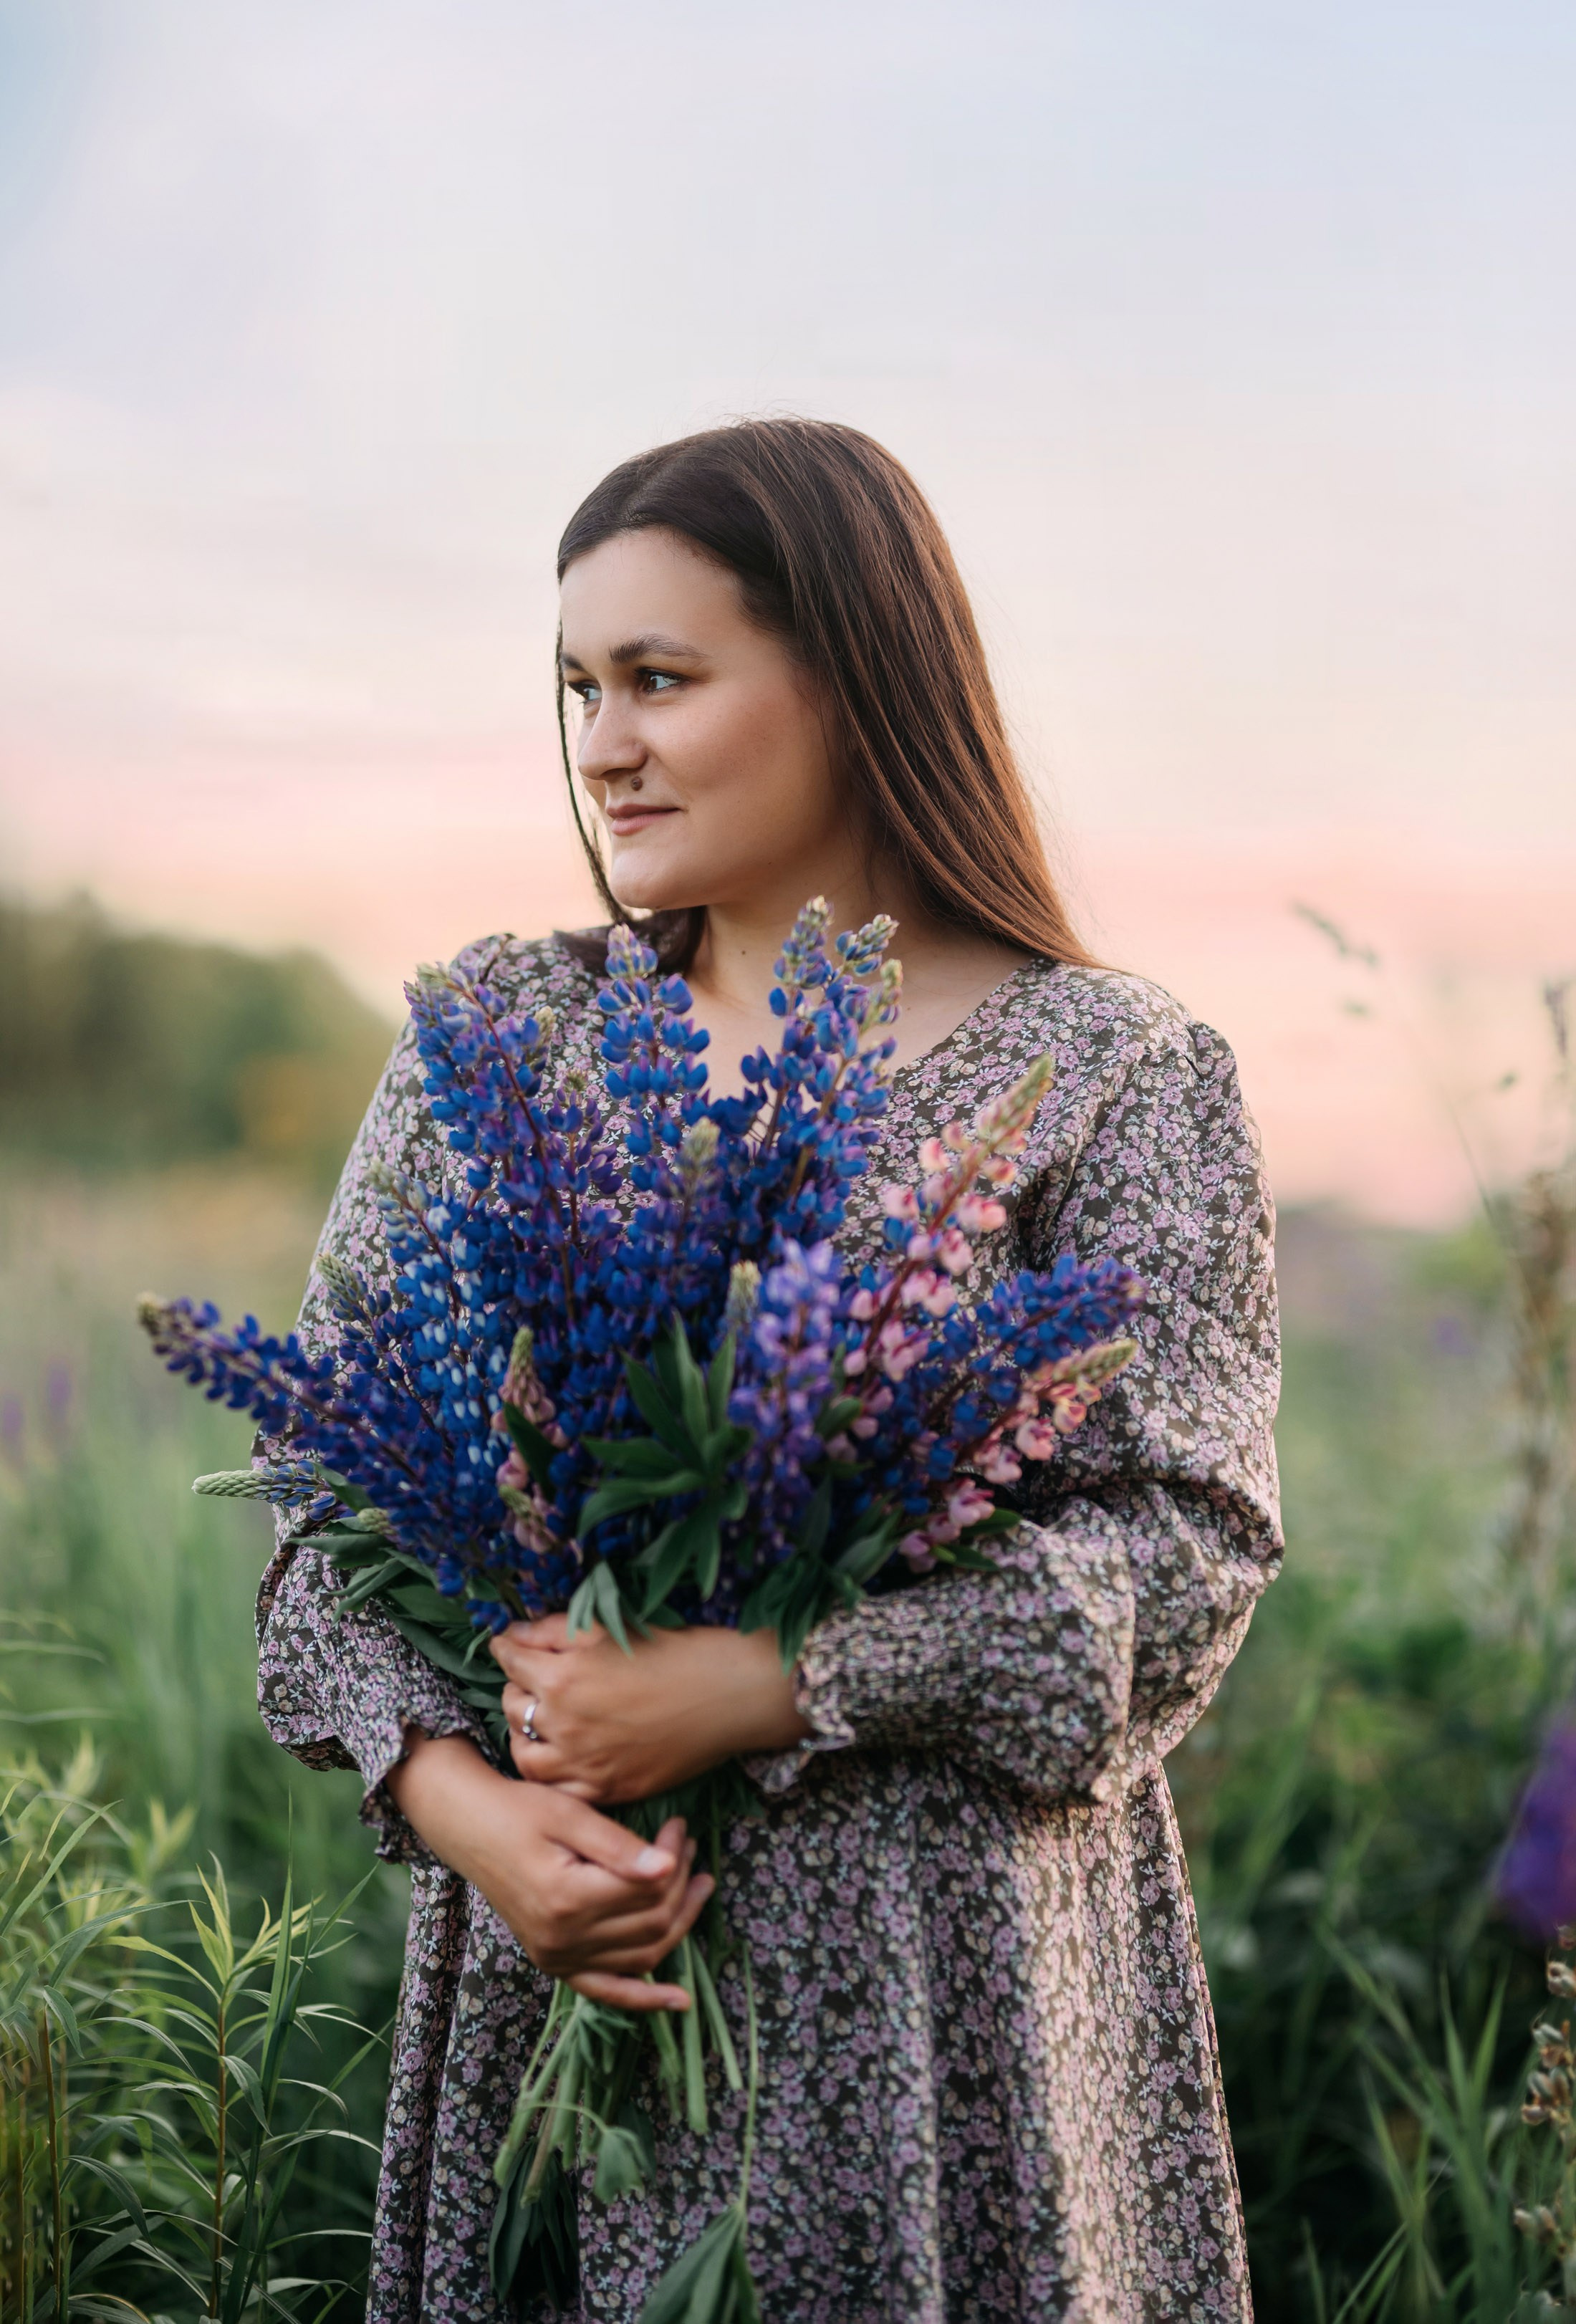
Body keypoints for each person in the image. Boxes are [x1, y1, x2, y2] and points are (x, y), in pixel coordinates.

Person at [257, 417, 1281, 2322]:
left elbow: (1186, 1563)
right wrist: (474, 1817)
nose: (603, 742)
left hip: (942, 2005)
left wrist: (771, 1681)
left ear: (853, 668)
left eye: (662, 675)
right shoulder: (503, 1033)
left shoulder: (1117, 1070)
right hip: (557, 1983)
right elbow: (324, 1512)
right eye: (579, 685)